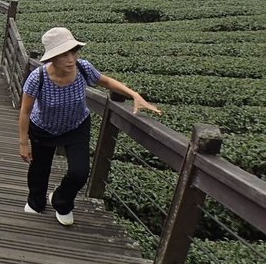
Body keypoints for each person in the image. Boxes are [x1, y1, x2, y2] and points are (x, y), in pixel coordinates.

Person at [18, 27, 161, 226]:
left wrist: (134, 94)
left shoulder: (83, 68)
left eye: (73, 52)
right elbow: (25, 111)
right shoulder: (38, 78)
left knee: (80, 172)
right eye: (64, 55)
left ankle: (61, 201)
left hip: (76, 126)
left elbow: (107, 82)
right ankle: (36, 202)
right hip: (43, 127)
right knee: (39, 171)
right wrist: (23, 142)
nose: (70, 59)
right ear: (53, 58)